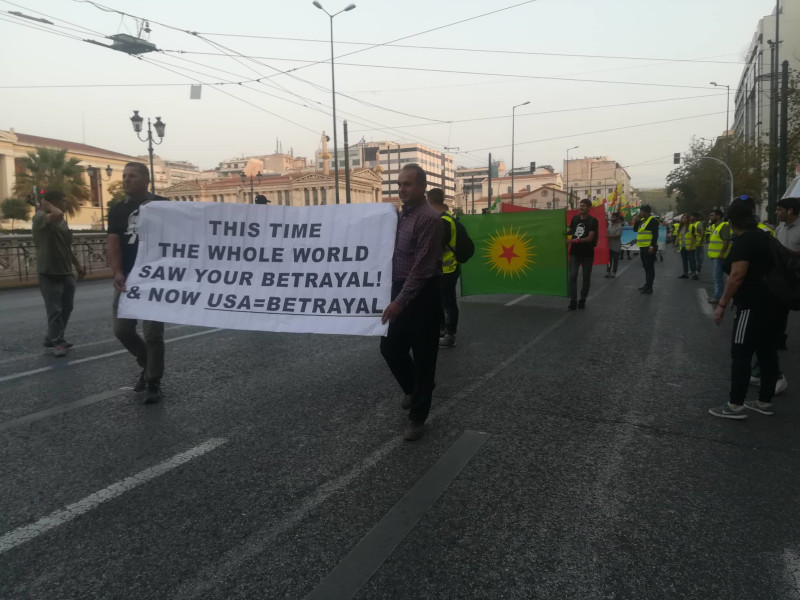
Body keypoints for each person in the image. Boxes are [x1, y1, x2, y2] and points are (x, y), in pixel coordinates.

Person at [381, 164, 442, 441]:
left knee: (424, 355)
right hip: (399, 288)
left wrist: (400, 302)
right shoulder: (399, 216)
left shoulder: (428, 218)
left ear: (422, 187)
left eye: (407, 184)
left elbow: (422, 268)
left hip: (422, 294)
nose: (402, 189)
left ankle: (418, 417)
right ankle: (416, 388)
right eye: (399, 184)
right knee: (390, 347)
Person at [709, 198, 781, 419]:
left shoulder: (744, 241)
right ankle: (764, 401)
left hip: (751, 304)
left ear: (732, 221)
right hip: (774, 303)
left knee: (741, 353)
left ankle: (736, 405)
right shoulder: (764, 236)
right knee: (767, 353)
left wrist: (722, 304)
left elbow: (737, 276)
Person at [107, 163, 167, 404]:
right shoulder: (117, 210)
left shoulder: (164, 206)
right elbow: (113, 243)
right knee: (122, 330)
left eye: (132, 176)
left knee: (153, 334)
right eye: (124, 176)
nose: (126, 180)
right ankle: (146, 364)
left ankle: (154, 381)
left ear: (146, 180)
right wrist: (118, 272)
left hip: (156, 279)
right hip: (129, 279)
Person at [31, 190, 86, 357]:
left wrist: (77, 266)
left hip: (66, 272)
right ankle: (57, 342)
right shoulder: (40, 217)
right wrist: (47, 205)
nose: (64, 204)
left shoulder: (62, 223)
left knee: (67, 308)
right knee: (54, 310)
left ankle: (52, 337)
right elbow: (58, 214)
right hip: (48, 272)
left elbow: (66, 247)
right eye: (61, 201)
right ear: (52, 202)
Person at [426, 188, 459, 348]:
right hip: (443, 269)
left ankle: (450, 335)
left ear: (430, 200)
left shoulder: (443, 221)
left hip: (447, 269)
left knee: (448, 303)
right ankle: (442, 330)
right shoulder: (446, 218)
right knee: (440, 302)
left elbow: (436, 246)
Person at [566, 198, 598, 309]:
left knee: (586, 278)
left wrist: (573, 241)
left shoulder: (593, 221)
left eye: (584, 206)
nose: (581, 207)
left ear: (589, 208)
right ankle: (573, 300)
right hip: (574, 252)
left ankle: (582, 299)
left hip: (587, 254)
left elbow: (590, 238)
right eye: (580, 205)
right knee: (572, 276)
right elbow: (569, 231)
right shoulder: (575, 219)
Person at [706, 208, 731, 304]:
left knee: (717, 277)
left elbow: (726, 240)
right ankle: (720, 295)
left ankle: (718, 297)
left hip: (719, 256)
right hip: (714, 256)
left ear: (718, 216)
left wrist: (721, 253)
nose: (710, 217)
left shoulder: (723, 226)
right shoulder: (715, 226)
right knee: (718, 276)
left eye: (712, 215)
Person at [633, 204, 659, 294]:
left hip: (649, 247)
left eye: (641, 211)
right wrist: (636, 221)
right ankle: (647, 285)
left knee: (650, 268)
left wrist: (652, 246)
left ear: (646, 212)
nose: (640, 213)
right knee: (646, 267)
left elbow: (655, 235)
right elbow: (635, 230)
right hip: (642, 247)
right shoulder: (642, 221)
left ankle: (649, 288)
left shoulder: (653, 221)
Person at [674, 214, 698, 279]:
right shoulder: (680, 227)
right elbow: (678, 237)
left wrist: (690, 246)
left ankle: (694, 274)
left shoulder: (691, 227)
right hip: (682, 247)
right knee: (684, 260)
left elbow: (693, 237)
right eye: (683, 218)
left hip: (690, 247)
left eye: (686, 218)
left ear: (688, 219)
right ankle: (685, 273)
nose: (684, 219)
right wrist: (675, 245)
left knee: (691, 260)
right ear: (681, 219)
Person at [605, 212, 623, 278]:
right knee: (608, 260)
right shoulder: (609, 225)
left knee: (615, 260)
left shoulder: (619, 226)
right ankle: (608, 271)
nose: (612, 218)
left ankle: (614, 272)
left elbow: (618, 236)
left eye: (613, 217)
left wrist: (608, 236)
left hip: (616, 247)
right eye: (611, 217)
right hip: (609, 246)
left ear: (617, 218)